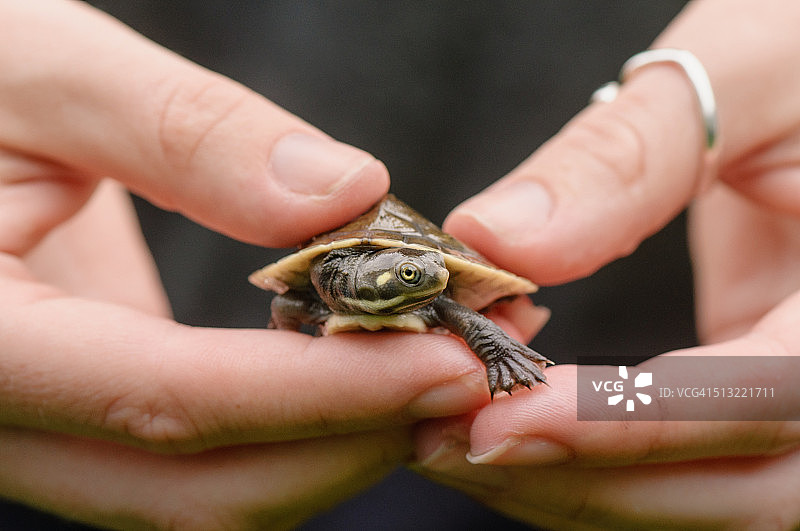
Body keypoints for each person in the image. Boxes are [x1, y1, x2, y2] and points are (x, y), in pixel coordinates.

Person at [1, 1, 798, 530]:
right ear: (345, 278)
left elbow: (442, 295)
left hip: (647, 388)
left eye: (423, 278)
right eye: (405, 275)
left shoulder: (438, 291)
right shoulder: (329, 284)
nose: (421, 281)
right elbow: (300, 297)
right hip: (97, 366)